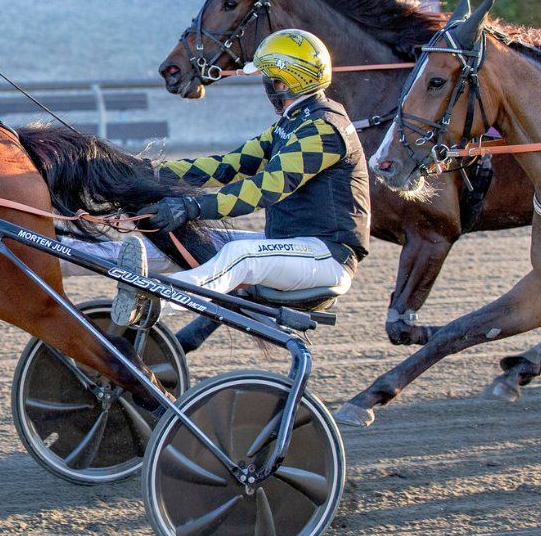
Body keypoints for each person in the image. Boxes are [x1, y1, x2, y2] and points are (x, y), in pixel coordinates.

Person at [107, 29, 369, 327]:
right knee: (197, 239)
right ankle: (71, 259)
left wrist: (191, 207)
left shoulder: (323, 129)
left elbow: (266, 188)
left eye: (267, 77)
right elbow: (228, 165)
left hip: (326, 257)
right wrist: (153, 171)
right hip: (292, 247)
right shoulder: (294, 122)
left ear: (283, 82)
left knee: (239, 255)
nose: (265, 84)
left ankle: (154, 302)